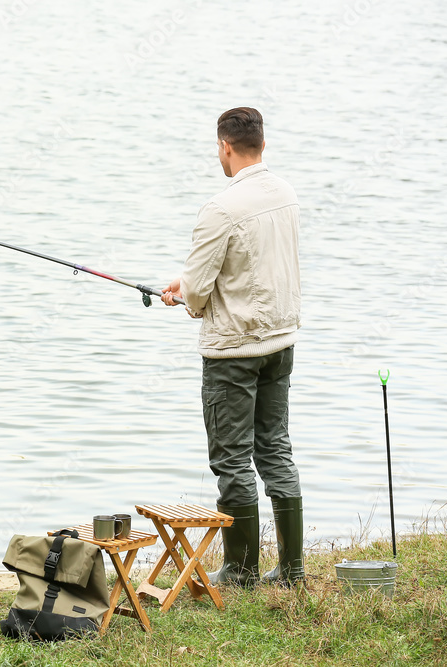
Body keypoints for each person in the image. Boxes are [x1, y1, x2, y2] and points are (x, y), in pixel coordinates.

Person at [161, 107, 304, 587]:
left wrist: (183, 293)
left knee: (232, 459)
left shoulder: (220, 209)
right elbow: (255, 263)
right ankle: (291, 571)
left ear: (225, 146)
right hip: (280, 343)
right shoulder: (285, 194)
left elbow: (198, 293)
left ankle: (240, 572)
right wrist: (193, 283)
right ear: (262, 143)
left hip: (233, 353)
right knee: (275, 449)